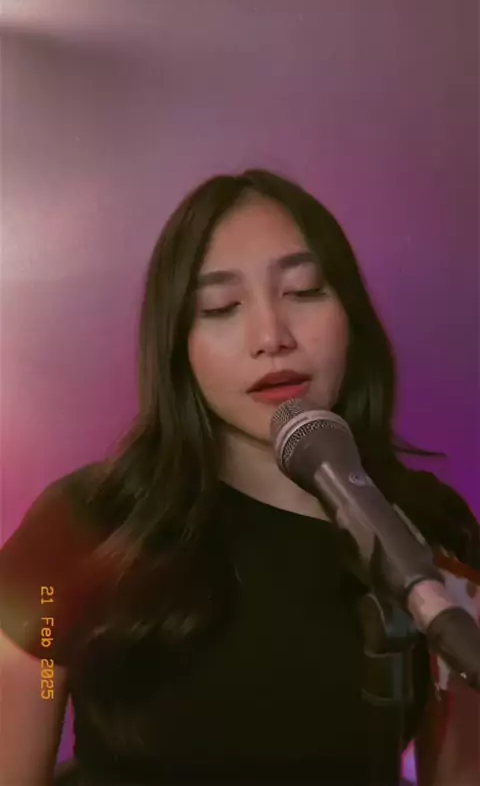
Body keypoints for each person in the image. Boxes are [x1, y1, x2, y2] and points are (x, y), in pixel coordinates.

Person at [1, 168, 479, 786]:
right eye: (221, 307)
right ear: (179, 343)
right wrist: (47, 657)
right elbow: (33, 689)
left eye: (304, 291)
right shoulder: (83, 521)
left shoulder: (428, 526)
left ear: (350, 315)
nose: (271, 337)